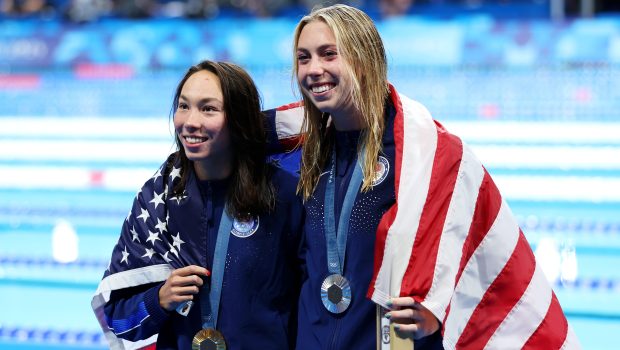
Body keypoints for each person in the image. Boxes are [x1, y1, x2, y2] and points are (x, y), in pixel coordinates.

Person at [272, 4, 580, 349]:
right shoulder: (303, 154)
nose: (314, 69)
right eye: (304, 58)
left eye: (329, 55)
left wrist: (438, 307)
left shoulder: (424, 155)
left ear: (363, 59)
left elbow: (469, 248)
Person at [91, 60, 304, 349]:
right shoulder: (158, 199)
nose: (190, 122)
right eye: (183, 106)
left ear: (238, 119)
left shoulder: (282, 193)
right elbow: (117, 320)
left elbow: (311, 302)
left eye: (208, 108)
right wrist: (159, 300)